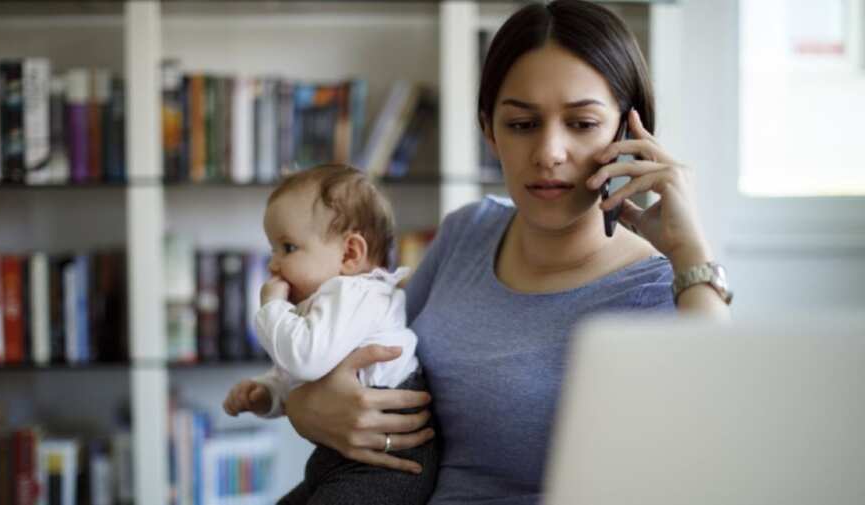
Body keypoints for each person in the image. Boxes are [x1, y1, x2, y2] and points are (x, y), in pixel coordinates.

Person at [281, 1, 733, 504]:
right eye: (522, 124)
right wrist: (303, 406)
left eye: (582, 123)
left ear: (628, 134)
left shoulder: (663, 289)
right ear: (489, 131)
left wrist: (690, 249)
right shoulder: (468, 231)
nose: (549, 153)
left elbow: (720, 441)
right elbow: (361, 350)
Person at [221, 164, 438, 504]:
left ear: (350, 254)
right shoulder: (325, 303)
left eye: (288, 248)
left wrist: (271, 307)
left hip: (387, 465)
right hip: (341, 455)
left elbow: (305, 359)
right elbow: (302, 376)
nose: (273, 264)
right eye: (272, 249)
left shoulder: (357, 294)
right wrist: (267, 392)